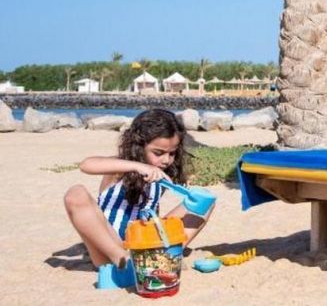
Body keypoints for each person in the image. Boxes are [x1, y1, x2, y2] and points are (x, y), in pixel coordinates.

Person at [64, 109, 215, 270]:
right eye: (158, 153)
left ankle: (167, 254)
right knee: (76, 193)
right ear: (139, 146)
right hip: (112, 246)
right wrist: (138, 166)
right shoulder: (121, 167)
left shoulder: (161, 174)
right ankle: (123, 259)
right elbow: (86, 165)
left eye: (172, 153)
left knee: (205, 201)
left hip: (145, 244)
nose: (166, 160)